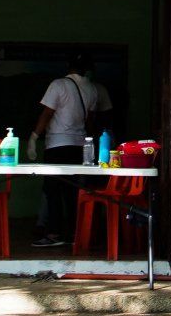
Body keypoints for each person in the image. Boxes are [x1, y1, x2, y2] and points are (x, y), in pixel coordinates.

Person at [27, 51, 111, 249]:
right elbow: (90, 121)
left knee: (53, 190)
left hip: (57, 144)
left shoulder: (58, 85)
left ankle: (54, 233)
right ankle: (74, 233)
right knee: (72, 191)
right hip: (79, 146)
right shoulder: (92, 89)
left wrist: (34, 137)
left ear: (68, 66)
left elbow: (47, 113)